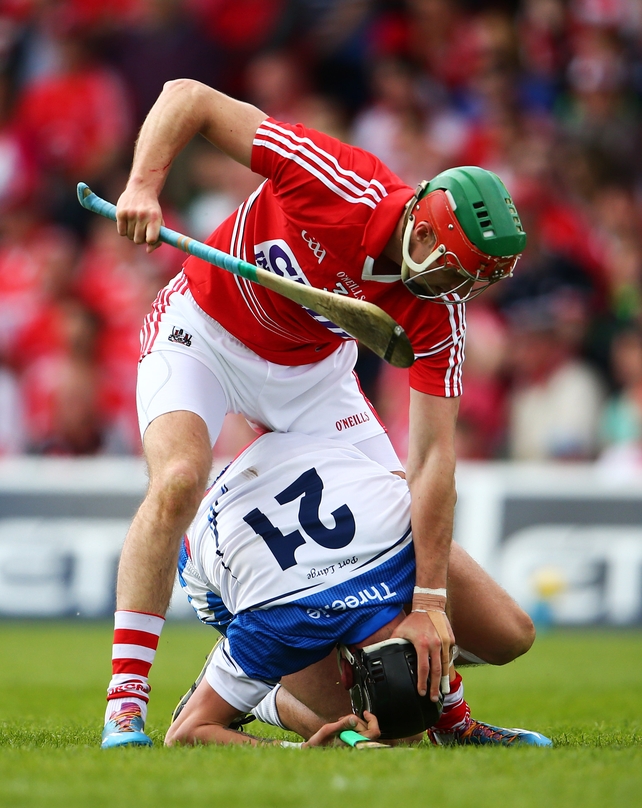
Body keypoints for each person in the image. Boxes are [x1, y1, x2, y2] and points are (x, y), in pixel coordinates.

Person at [101, 78, 528, 746]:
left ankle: (447, 719)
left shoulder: (443, 311)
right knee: (180, 478)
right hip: (205, 330)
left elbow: (433, 460)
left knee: (394, 528)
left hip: (312, 374)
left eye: (476, 281)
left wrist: (430, 605)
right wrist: (143, 187)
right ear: (420, 227)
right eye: (455, 272)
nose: (459, 293)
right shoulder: (334, 180)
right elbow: (189, 97)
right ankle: (126, 701)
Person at [103, 431, 551, 748]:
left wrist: (429, 603)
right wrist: (301, 751)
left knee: (513, 634)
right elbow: (186, 732)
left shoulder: (400, 541)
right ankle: (266, 700)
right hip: (242, 562)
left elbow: (436, 492)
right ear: (347, 669)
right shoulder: (277, 625)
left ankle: (452, 724)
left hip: (341, 509)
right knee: (396, 732)